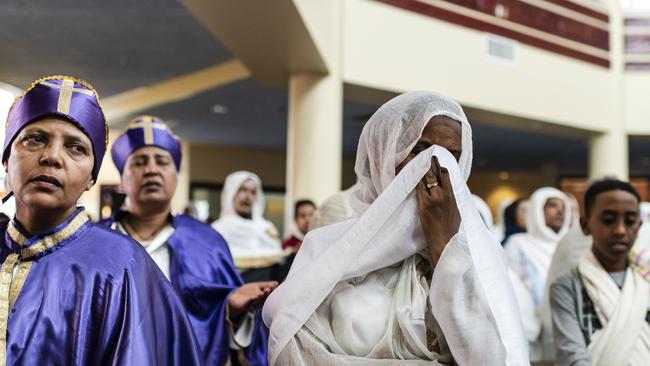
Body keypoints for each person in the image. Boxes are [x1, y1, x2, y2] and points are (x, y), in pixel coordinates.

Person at [263, 91, 528, 365]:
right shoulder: (328, 247)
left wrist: (444, 248)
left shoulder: (479, 254)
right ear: (383, 155)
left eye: (452, 156)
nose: (436, 166)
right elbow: (292, 351)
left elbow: (493, 356)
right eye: (419, 150)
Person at [0, 76, 202, 365]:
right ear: (7, 159)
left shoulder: (123, 265)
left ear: (91, 178)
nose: (52, 156)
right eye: (35, 138)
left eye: (75, 147)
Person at [103, 116, 274, 365]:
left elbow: (217, 329)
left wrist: (230, 309)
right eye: (139, 162)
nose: (151, 169)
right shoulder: (98, 241)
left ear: (175, 175)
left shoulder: (208, 243)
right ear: (122, 178)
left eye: (162, 162)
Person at [550, 179, 649, 365]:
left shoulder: (646, 279)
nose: (620, 230)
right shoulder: (567, 286)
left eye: (630, 221)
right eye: (608, 220)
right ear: (586, 225)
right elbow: (572, 357)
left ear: (639, 225)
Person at [505, 187, 571, 360]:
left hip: (566, 325)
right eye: (552, 206)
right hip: (532, 330)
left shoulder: (570, 245)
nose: (559, 211)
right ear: (537, 210)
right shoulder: (518, 244)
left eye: (563, 207)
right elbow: (511, 288)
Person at [212, 171, 285, 282]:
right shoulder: (217, 229)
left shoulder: (266, 228)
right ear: (231, 193)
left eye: (253, 192)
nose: (248, 196)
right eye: (242, 190)